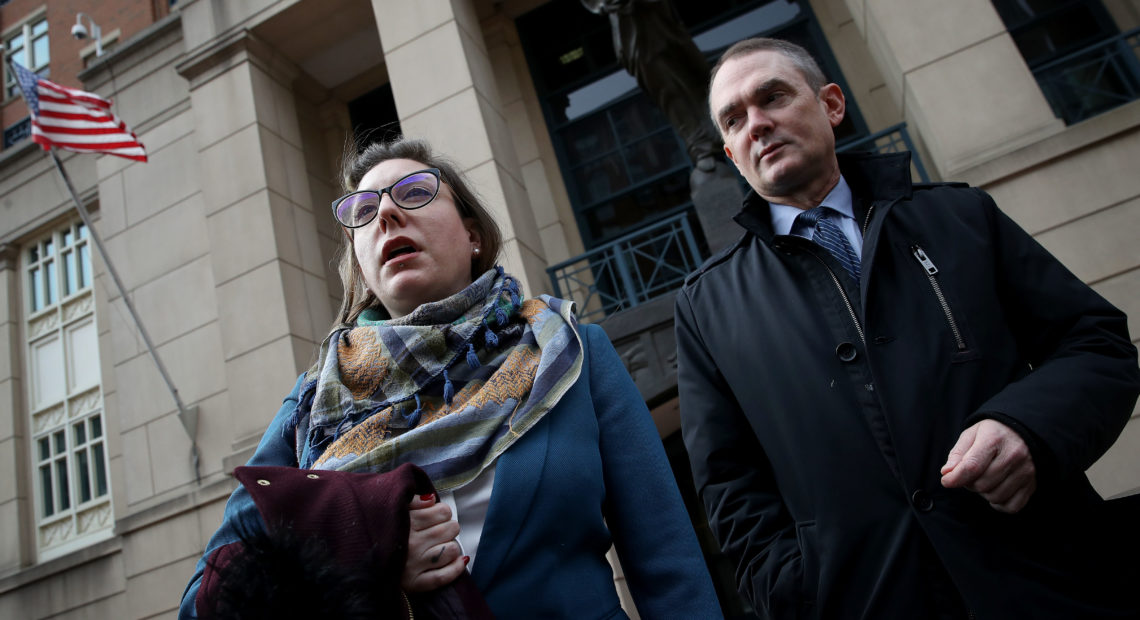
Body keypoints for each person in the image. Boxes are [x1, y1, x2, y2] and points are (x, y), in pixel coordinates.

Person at [675, 37, 1140, 619]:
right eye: (735, 119)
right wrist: (799, 590)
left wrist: (1029, 427)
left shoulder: (962, 217)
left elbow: (1096, 345)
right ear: (730, 151)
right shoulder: (705, 306)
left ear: (832, 105)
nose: (757, 124)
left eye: (773, 97)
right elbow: (728, 484)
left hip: (1052, 583)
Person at [180, 137, 721, 619]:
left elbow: (667, 558)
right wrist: (370, 553)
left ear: (472, 234)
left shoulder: (573, 352)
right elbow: (204, 599)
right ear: (361, 265)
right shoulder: (312, 405)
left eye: (414, 192)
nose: (386, 215)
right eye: (364, 211)